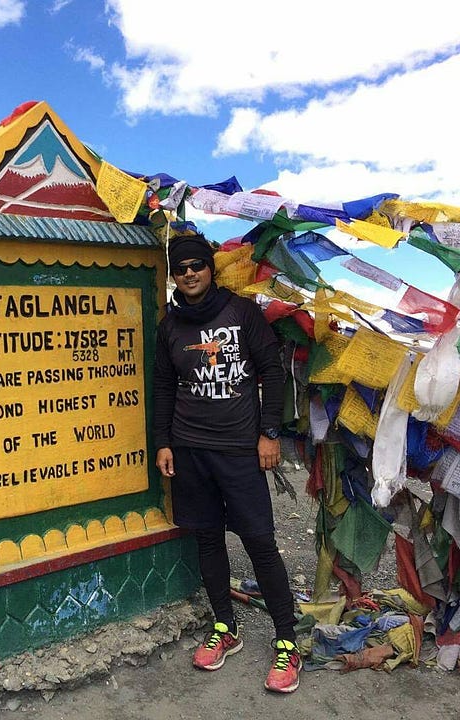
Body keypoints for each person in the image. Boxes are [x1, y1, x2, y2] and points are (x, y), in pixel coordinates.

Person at [153, 234, 301, 693]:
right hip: (190, 450)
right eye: (181, 268)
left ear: (210, 268)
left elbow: (271, 372)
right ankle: (225, 627)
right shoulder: (170, 326)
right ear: (173, 275)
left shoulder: (240, 312)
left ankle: (286, 643)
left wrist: (270, 432)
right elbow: (162, 385)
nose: (190, 273)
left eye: (197, 265)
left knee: (259, 543)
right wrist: (163, 442)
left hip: (240, 450)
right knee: (209, 539)